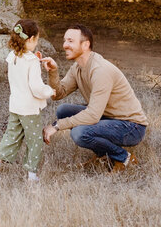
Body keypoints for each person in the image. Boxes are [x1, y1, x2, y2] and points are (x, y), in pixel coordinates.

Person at [41, 24, 147, 172]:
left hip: (131, 126)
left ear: (85, 45)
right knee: (63, 110)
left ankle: (124, 158)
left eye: (70, 41)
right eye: (65, 40)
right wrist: (53, 72)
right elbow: (58, 94)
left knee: (79, 133)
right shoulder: (78, 67)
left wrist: (57, 126)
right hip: (108, 116)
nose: (65, 45)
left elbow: (93, 115)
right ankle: (104, 156)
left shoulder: (100, 70)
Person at [0, 19, 55, 182]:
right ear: (30, 40)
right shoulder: (32, 61)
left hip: (15, 105)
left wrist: (34, 58)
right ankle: (32, 175)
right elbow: (36, 87)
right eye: (36, 40)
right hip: (29, 108)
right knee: (34, 140)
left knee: (11, 135)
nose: (36, 43)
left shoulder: (13, 56)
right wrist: (50, 91)